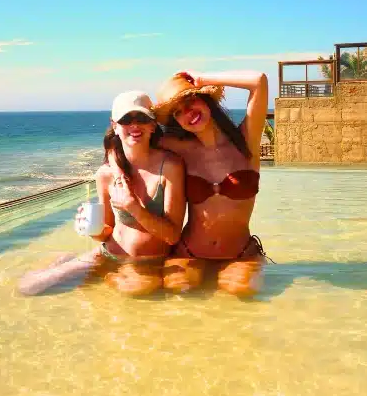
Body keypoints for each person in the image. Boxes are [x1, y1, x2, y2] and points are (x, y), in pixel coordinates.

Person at [17, 91, 186, 297]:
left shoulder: (170, 167)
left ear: (152, 125)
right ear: (115, 125)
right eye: (126, 119)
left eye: (141, 118)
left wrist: (133, 207)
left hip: (149, 261)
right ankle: (65, 261)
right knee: (28, 288)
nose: (134, 125)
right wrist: (91, 229)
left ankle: (104, 274)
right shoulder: (106, 174)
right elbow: (106, 232)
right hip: (109, 253)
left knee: (136, 290)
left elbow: (172, 236)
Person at [153, 70, 273, 298]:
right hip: (188, 253)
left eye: (190, 101)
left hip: (240, 254)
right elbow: (134, 135)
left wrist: (204, 79)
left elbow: (259, 81)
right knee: (179, 293)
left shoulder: (246, 141)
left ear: (206, 99)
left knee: (239, 292)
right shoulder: (179, 148)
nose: (187, 113)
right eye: (178, 112)